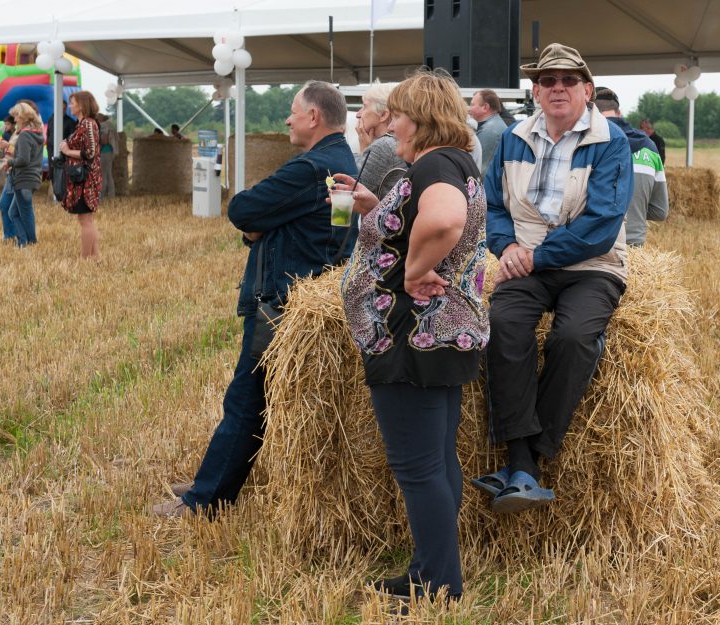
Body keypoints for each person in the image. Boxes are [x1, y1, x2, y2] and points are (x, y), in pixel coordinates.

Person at [152, 81, 358, 518]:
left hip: (279, 301)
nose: (287, 119)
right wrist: (267, 225)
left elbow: (242, 209)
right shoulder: (342, 161)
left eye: (293, 111)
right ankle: (212, 482)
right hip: (305, 295)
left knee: (247, 400)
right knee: (254, 398)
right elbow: (335, 233)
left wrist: (261, 223)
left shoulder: (311, 168)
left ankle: (206, 500)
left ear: (314, 117)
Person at [336, 69, 488, 603]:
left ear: (420, 118)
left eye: (397, 113)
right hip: (439, 335)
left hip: (413, 337)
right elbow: (423, 219)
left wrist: (411, 271)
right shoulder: (453, 161)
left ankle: (440, 585)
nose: (390, 123)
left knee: (417, 466)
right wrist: (378, 213)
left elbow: (444, 220)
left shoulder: (435, 164)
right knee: (437, 458)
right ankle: (430, 569)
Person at [472, 43, 633, 514]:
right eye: (547, 81)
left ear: (586, 90)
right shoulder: (513, 138)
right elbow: (492, 206)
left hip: (590, 266)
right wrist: (506, 248)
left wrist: (534, 256)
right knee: (503, 327)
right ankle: (521, 463)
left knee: (574, 338)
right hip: (524, 261)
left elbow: (602, 224)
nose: (557, 88)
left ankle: (530, 458)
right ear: (535, 91)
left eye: (568, 80)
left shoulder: (611, 142)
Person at [595, 88, 668, 246]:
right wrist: (636, 211)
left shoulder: (589, 140)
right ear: (619, 112)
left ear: (590, 112)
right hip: (634, 246)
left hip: (596, 246)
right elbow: (660, 211)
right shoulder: (650, 147)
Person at [58, 91, 102, 259]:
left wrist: (68, 150)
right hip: (83, 178)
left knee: (85, 221)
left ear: (82, 105)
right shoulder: (83, 124)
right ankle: (96, 257)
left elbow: (91, 152)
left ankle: (84, 260)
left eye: (72, 103)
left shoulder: (88, 124)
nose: (70, 106)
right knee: (87, 220)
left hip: (86, 180)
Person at [354, 81, 406, 199]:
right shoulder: (396, 142)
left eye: (365, 106)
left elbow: (353, 189)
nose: (358, 114)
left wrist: (364, 150)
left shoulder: (384, 146)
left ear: (383, 115)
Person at [3, 102, 44, 246]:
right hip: (32, 178)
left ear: (23, 117)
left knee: (22, 213)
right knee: (15, 212)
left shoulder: (25, 135)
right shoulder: (37, 133)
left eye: (16, 116)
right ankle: (24, 242)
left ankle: (29, 242)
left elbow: (24, 160)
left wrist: (9, 163)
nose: (14, 120)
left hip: (24, 178)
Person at [468, 89, 508, 175]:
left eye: (472, 105)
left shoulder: (490, 131)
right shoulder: (494, 126)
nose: (469, 109)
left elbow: (480, 171)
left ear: (485, 107)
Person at [97, 113, 118, 199]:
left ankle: (102, 195)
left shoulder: (102, 126)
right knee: (109, 174)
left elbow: (104, 140)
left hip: (104, 152)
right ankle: (112, 195)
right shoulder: (111, 126)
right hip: (110, 152)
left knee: (103, 175)